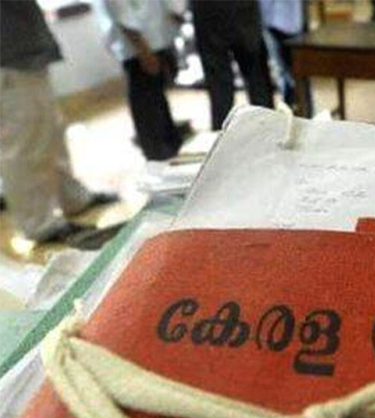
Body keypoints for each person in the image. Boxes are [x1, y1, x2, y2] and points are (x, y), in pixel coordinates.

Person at [0, 0, 118, 245]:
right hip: (9, 59)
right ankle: (39, 224)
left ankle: (73, 198)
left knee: (49, 133)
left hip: (23, 51)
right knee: (26, 146)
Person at [96, 0, 185, 161]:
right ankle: (156, 152)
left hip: (154, 39)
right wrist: (143, 50)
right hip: (137, 48)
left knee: (156, 98)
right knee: (146, 102)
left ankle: (170, 144)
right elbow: (122, 13)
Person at [191, 0, 274, 130]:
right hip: (243, 10)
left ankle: (222, 134)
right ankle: (269, 129)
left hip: (207, 11)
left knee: (218, 84)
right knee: (257, 78)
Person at [260, 0, 303, 108]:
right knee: (281, 68)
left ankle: (293, 100)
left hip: (281, 22)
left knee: (286, 68)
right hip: (275, 21)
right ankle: (291, 100)